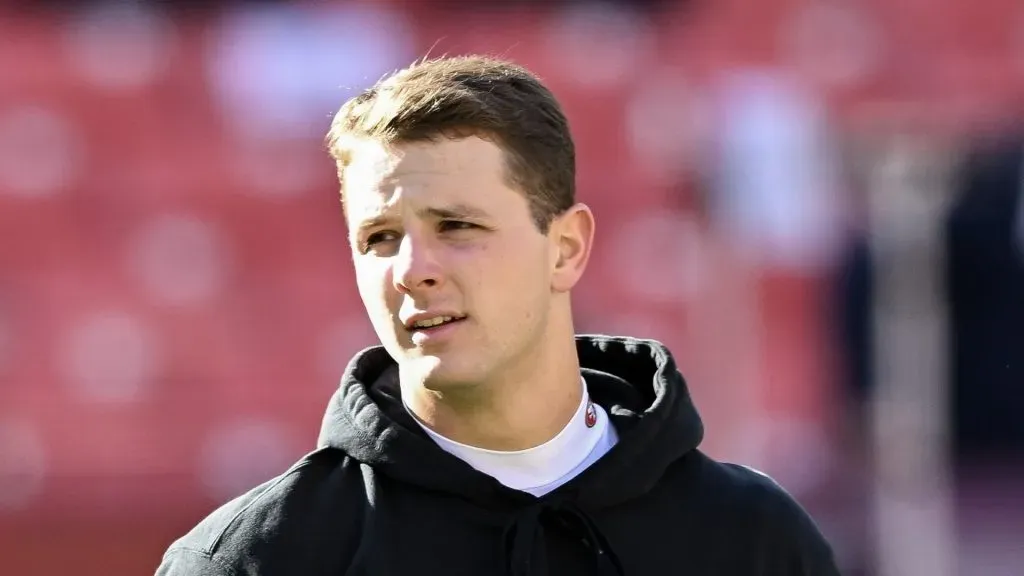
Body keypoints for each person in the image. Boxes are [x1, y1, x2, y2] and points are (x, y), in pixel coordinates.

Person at [156, 55, 841, 576]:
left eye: (456, 226)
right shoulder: (255, 559)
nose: (411, 269)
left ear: (565, 249)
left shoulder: (755, 542)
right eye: (379, 238)